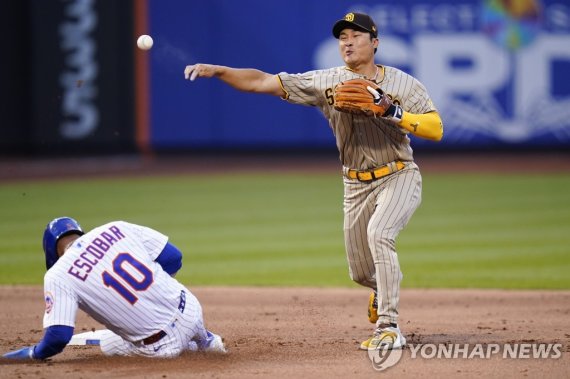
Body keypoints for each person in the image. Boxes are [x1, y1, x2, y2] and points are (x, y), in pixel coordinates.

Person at [183, 12, 443, 350]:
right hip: (355, 184)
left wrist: (393, 111)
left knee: (380, 234)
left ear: (375, 43)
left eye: (356, 35)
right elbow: (263, 81)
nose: (347, 41)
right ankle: (380, 290)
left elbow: (435, 128)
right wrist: (219, 71)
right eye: (342, 36)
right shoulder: (325, 81)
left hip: (399, 174)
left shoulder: (403, 84)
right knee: (360, 273)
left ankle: (389, 328)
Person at [2, 217, 226, 360]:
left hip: (161, 347)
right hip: (192, 309)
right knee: (173, 309)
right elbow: (173, 258)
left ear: (51, 252)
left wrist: (34, 353)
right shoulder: (115, 227)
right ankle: (204, 338)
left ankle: (190, 344)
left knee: (108, 344)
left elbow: (58, 337)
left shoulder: (58, 274)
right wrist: (152, 295)